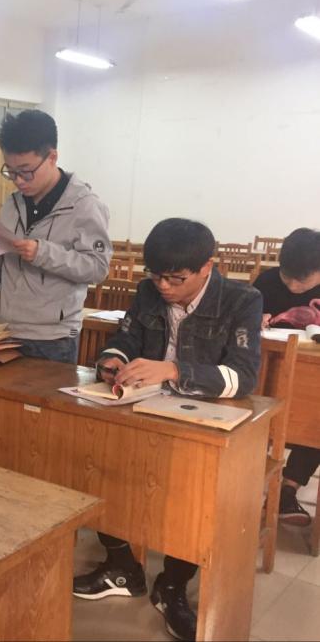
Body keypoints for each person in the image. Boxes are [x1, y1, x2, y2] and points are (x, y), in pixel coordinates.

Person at [73, 218, 262, 642]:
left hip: (201, 417)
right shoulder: (148, 292)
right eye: (156, 275)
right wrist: (113, 359)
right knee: (95, 461)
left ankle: (173, 584)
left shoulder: (242, 300)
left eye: (176, 279)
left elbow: (244, 377)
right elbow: (126, 337)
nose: (163, 286)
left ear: (207, 267)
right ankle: (121, 565)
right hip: (143, 409)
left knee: (193, 495)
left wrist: (174, 370)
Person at [0, 109, 111, 364]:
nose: (18, 180)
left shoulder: (84, 205)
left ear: (52, 157)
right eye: (11, 171)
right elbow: (5, 264)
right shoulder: (12, 204)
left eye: (26, 171)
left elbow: (97, 268)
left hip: (52, 337)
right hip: (4, 328)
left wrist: (42, 252)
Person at [253, 227, 320, 526]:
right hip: (267, 377)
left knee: (316, 422)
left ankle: (286, 491)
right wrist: (253, 319)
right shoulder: (266, 282)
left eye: (302, 280)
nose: (293, 286)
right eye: (287, 276)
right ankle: (244, 488)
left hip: (313, 381)